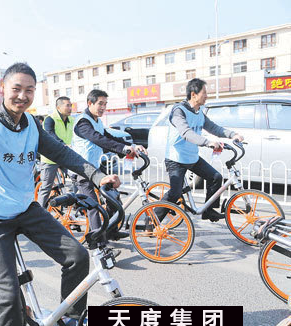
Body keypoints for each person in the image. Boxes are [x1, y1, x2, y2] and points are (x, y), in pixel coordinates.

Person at [0, 63, 120, 326]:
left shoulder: (31, 124)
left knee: (78, 256)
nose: (22, 95)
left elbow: (63, 154)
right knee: (8, 297)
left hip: (24, 208)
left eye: (29, 90)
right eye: (16, 88)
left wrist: (97, 176)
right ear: (2, 89)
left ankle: (69, 317)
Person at [72, 89, 146, 255]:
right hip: (82, 169)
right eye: (100, 104)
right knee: (93, 206)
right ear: (90, 103)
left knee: (114, 197)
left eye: (105, 104)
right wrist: (124, 149)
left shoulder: (96, 121)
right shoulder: (83, 123)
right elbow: (99, 139)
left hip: (96, 168)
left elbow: (109, 137)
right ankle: (99, 245)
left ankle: (111, 231)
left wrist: (131, 147)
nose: (103, 107)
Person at [159, 78, 244, 221]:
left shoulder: (199, 112)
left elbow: (214, 128)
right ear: (194, 94)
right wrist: (207, 142)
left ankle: (208, 211)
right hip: (176, 159)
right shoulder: (178, 111)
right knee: (175, 193)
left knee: (215, 177)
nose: (207, 96)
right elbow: (186, 132)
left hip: (192, 157)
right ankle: (152, 221)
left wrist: (233, 135)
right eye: (204, 93)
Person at [36, 96, 74, 208]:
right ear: (58, 107)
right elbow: (50, 134)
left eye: (71, 105)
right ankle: (39, 212)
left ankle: (76, 208)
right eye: (67, 105)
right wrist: (63, 144)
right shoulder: (50, 119)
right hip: (50, 158)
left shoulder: (72, 120)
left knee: (78, 179)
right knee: (46, 187)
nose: (70, 108)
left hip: (65, 155)